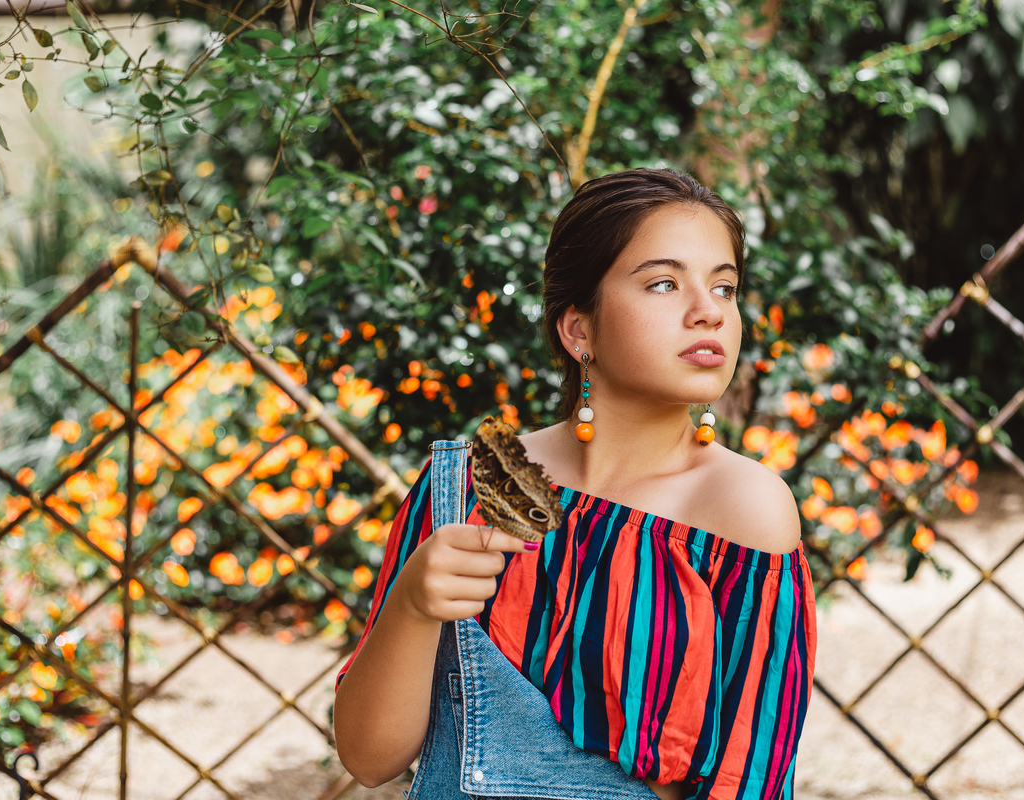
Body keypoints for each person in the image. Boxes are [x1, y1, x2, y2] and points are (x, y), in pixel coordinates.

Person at [332, 167, 816, 800]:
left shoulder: (744, 513)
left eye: (724, 289)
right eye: (665, 284)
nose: (709, 314)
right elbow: (370, 759)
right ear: (579, 329)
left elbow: (749, 782)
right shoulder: (465, 487)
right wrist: (413, 605)